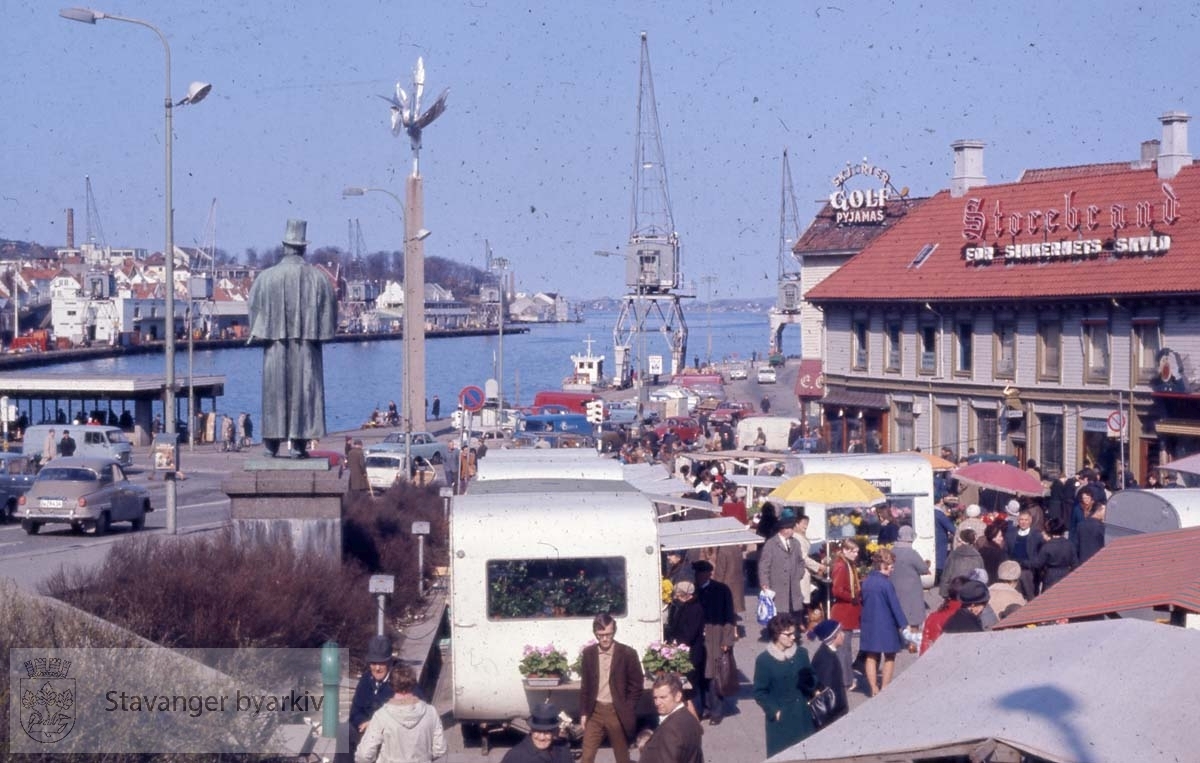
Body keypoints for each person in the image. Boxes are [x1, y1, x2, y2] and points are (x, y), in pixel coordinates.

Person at [248, 219, 337, 459]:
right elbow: (329, 322)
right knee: (304, 393)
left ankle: (270, 444)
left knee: (274, 393)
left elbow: (254, 316)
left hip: (275, 347)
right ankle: (299, 444)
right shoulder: (319, 279)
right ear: (304, 248)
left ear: (284, 246)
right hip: (307, 348)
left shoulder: (265, 278)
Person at [579, 613, 643, 763]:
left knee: (622, 757)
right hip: (595, 712)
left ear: (614, 632)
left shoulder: (627, 653)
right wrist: (583, 713)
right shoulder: (589, 654)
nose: (605, 639)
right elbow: (585, 686)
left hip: (616, 712)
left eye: (609, 634)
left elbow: (636, 685)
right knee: (586, 756)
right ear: (595, 634)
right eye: (601, 635)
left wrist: (627, 708)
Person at [753, 614, 817, 756]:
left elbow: (813, 678)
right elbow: (759, 692)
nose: (793, 637)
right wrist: (775, 711)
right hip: (781, 724)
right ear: (776, 635)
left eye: (794, 633)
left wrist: (812, 684)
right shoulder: (764, 661)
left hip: (803, 717)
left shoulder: (801, 654)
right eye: (788, 634)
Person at [354, 663, 445, 763]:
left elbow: (364, 755)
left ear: (391, 685)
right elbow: (439, 749)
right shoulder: (430, 712)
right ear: (414, 683)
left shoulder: (382, 716)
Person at [692, 559, 737, 725]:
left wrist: (727, 640)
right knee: (700, 676)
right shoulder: (694, 591)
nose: (699, 577)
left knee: (715, 676)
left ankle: (716, 712)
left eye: (702, 574)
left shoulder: (721, 590)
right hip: (697, 640)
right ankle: (703, 708)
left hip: (716, 639)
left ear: (708, 574)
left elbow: (729, 617)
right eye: (697, 574)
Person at [859, 548, 907, 696]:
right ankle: (885, 687)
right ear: (883, 565)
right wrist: (903, 624)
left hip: (869, 623)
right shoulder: (886, 584)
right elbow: (895, 606)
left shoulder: (866, 583)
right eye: (891, 567)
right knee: (890, 655)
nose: (892, 570)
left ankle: (873, 687)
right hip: (886, 624)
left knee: (871, 656)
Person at [638, 673, 704, 763]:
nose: (657, 702)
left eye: (663, 697)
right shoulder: (689, 717)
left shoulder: (671, 731)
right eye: (655, 698)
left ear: (678, 696)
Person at [757, 515, 810, 620]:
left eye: (792, 528)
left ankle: (793, 632)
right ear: (783, 530)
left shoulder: (795, 543)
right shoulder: (771, 544)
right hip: (777, 584)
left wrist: (799, 573)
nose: (792, 531)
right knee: (779, 612)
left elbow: (800, 561)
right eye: (790, 529)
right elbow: (764, 566)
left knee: (794, 610)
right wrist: (765, 583)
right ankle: (778, 632)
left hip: (793, 584)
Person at [663, 580, 705, 712]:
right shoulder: (685, 606)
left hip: (692, 652)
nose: (677, 598)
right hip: (685, 650)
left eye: (679, 595)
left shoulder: (695, 608)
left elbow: (690, 632)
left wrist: (677, 642)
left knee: (690, 685)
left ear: (686, 594)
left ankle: (695, 713)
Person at [350, 635, 395, 751]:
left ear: (389, 662)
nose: (377, 668)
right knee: (345, 731)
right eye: (374, 663)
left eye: (382, 663)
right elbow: (355, 711)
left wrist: (375, 725)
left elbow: (411, 712)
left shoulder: (400, 681)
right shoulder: (366, 679)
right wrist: (363, 722)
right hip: (365, 730)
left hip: (390, 734)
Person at [828, 538, 862, 689]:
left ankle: (845, 678)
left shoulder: (848, 564)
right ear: (845, 551)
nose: (856, 554)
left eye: (857, 551)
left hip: (847, 612)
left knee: (845, 648)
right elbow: (837, 590)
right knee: (843, 648)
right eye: (853, 551)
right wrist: (852, 597)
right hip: (843, 612)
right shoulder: (842, 566)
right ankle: (845, 680)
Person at [808, 619, 850, 725]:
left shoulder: (828, 653)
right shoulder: (826, 659)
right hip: (833, 716)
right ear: (834, 637)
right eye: (840, 631)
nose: (843, 634)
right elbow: (825, 691)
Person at [890, 526, 929, 638]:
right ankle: (912, 640)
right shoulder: (911, 553)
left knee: (898, 613)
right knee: (913, 616)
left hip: (895, 587)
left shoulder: (892, 551)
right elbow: (923, 569)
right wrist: (926, 565)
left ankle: (899, 639)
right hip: (911, 589)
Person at [501, 702, 571, 763]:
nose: (541, 737)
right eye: (538, 731)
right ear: (531, 730)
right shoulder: (515, 757)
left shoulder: (563, 751)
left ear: (555, 732)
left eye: (547, 733)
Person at [1033, 518, 1077, 593]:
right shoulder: (1069, 544)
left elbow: (1038, 564)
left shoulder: (1047, 546)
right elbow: (1075, 563)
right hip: (1066, 574)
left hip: (1050, 575)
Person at [940, 528, 984, 598]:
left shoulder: (954, 555)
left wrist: (944, 593)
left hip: (955, 591)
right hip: (971, 592)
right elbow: (981, 577)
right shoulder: (978, 556)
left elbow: (946, 575)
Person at [1074, 495, 1107, 564]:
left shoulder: (1081, 525)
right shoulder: (1101, 527)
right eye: (1104, 511)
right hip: (1098, 560)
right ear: (1099, 510)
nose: (1105, 514)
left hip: (1083, 560)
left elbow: (1076, 545)